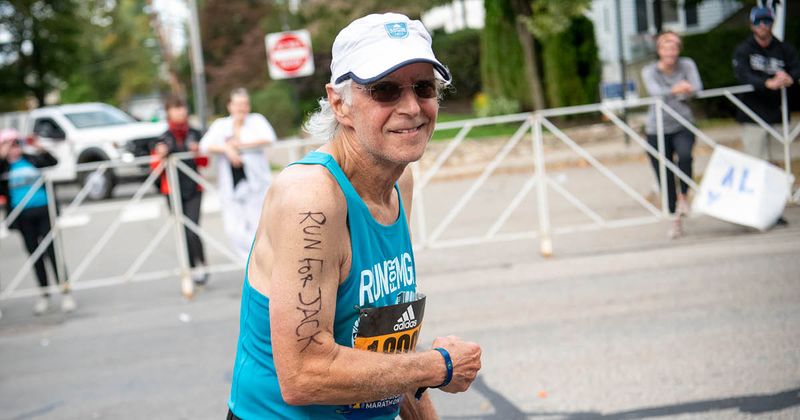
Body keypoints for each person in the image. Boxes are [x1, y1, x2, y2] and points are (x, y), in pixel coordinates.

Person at [226, 13, 482, 419]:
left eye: (423, 87)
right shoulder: (312, 199)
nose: (412, 107)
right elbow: (304, 373)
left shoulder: (400, 183)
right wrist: (440, 366)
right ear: (339, 102)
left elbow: (385, 346)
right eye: (385, 90)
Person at [732, 6, 799, 226]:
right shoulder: (744, 50)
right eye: (759, 22)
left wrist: (788, 77)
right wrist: (766, 83)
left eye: (767, 22)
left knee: (776, 166)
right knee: (756, 164)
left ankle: (774, 210)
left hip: (777, 115)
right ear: (752, 25)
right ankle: (755, 209)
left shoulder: (783, 49)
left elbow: (796, 68)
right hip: (753, 116)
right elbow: (742, 74)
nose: (763, 26)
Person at [0, 128, 76, 314]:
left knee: (54, 252)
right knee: (35, 256)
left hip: (44, 211)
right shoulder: (4, 167)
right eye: (9, 145)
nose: (14, 148)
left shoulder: (31, 159)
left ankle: (65, 293)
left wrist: (39, 147)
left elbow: (52, 162)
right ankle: (45, 295)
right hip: (23, 217)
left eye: (16, 144)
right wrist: (2, 156)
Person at [199, 88, 276, 263]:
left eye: (245, 104)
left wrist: (240, 146)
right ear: (230, 106)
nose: (242, 108)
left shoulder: (256, 120)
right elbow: (205, 145)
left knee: (259, 226)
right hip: (231, 186)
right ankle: (251, 262)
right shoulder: (221, 125)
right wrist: (227, 148)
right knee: (234, 229)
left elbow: (269, 138)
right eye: (238, 104)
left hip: (256, 184)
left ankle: (261, 263)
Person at [641, 31, 703, 239]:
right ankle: (673, 215)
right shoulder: (649, 70)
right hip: (656, 127)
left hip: (683, 123)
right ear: (659, 50)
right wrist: (677, 89)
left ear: (679, 49)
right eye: (666, 47)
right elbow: (654, 91)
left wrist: (686, 89)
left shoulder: (687, 65)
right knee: (663, 172)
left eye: (674, 47)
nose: (670, 52)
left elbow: (697, 88)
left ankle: (683, 197)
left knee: (685, 156)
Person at [151, 96, 209, 284]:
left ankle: (202, 264)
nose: (180, 112)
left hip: (193, 188)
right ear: (168, 112)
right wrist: (160, 155)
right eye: (175, 108)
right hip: (172, 190)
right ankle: (189, 268)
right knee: (181, 231)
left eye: (182, 107)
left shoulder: (195, 133)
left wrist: (197, 151)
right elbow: (154, 168)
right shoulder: (162, 137)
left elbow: (205, 162)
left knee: (192, 228)